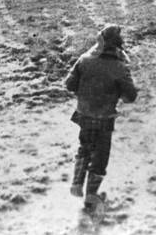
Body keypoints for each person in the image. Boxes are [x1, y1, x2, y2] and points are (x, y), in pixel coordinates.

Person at [64, 25, 138, 212]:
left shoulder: (84, 59)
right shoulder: (120, 67)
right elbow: (130, 96)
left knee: (84, 148)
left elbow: (69, 85)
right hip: (104, 119)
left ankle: (76, 183)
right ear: (118, 46)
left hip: (84, 114)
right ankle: (91, 195)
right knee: (100, 157)